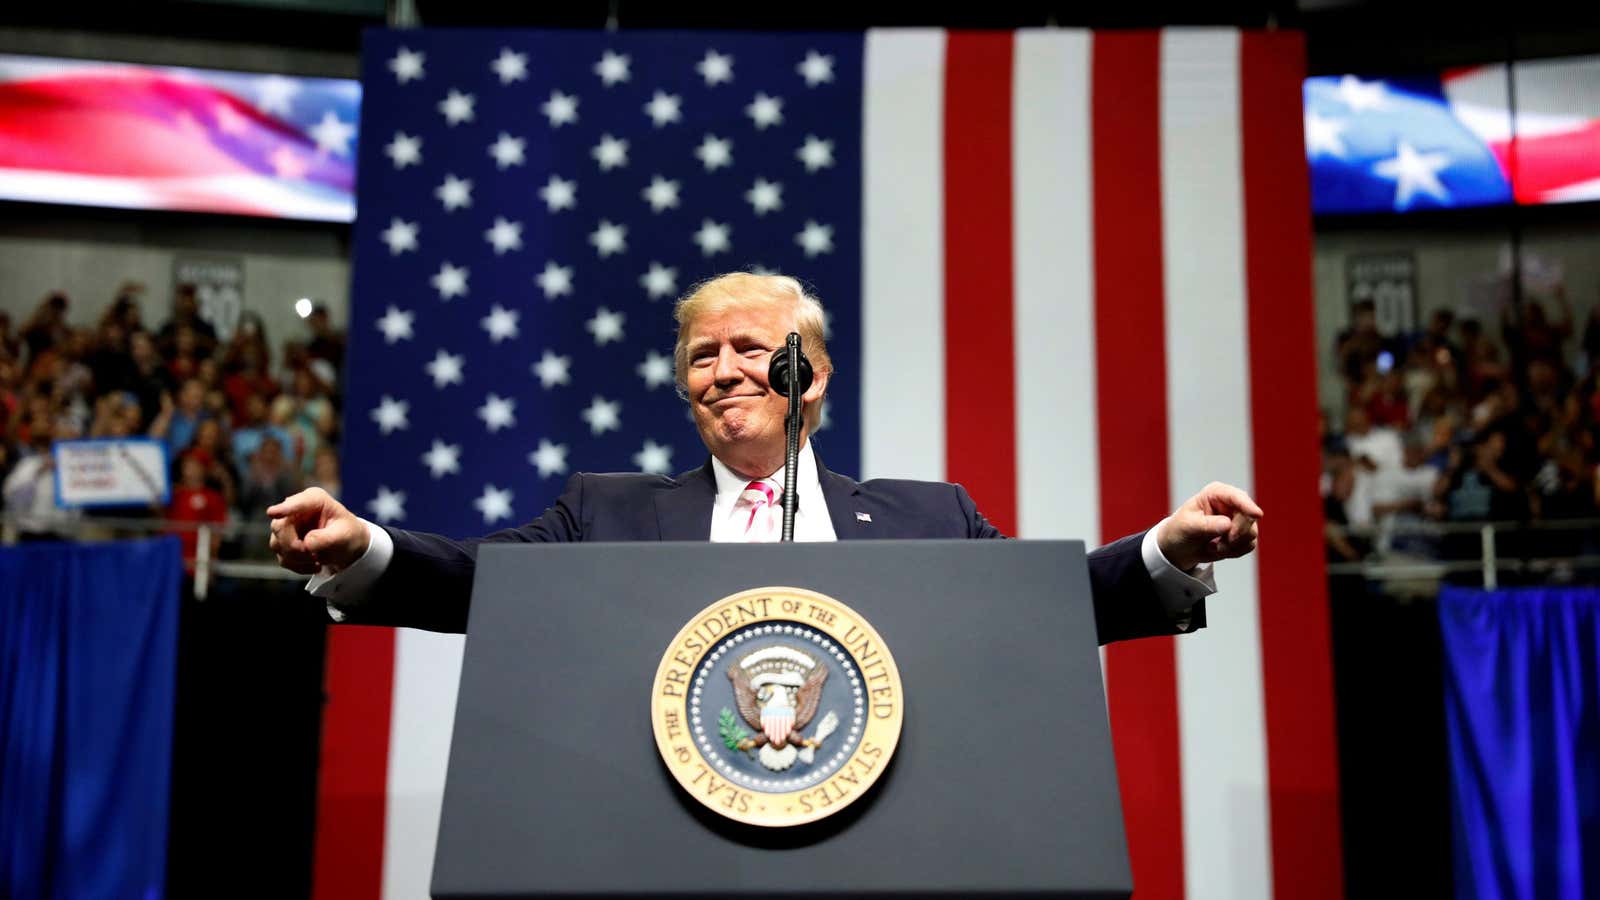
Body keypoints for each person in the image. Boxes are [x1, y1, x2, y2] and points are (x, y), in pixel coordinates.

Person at [266, 273, 1262, 643]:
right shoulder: (602, 511)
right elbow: (488, 585)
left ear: (811, 376)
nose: (727, 371)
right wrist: (363, 547)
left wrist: (1165, 551)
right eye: (704, 356)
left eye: (752, 349)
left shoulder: (930, 516)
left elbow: (1043, 609)